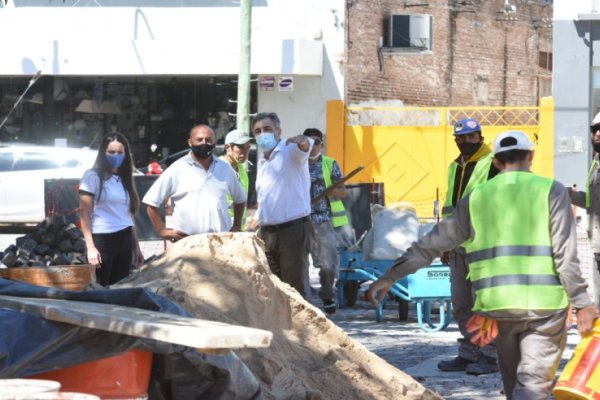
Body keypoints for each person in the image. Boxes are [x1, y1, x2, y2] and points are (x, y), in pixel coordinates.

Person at [367, 130, 599, 399]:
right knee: (531, 385)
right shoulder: (552, 191)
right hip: (544, 309)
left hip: (496, 307)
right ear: (531, 157)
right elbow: (565, 254)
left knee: (515, 385)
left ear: (496, 162)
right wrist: (582, 303)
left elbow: (431, 244)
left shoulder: (476, 198)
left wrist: (390, 277)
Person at [438, 117, 500, 375]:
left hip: (484, 245)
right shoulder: (456, 166)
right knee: (461, 303)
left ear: (480, 137)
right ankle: (468, 352)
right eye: (461, 138)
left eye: (471, 137)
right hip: (458, 244)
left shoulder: (494, 163)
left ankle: (489, 354)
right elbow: (450, 207)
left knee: (483, 302)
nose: (466, 141)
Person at [142, 124, 246, 241]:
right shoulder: (178, 168)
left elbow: (240, 199)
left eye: (208, 140)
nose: (204, 143)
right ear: (190, 142)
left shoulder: (225, 168)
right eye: (199, 140)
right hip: (188, 243)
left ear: (215, 142)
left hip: (220, 241)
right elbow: (151, 202)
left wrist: (237, 225)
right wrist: (162, 231)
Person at [252, 112, 313, 298]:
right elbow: (266, 197)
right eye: (257, 131)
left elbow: (306, 146)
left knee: (294, 290)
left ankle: (301, 327)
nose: (263, 134)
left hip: (292, 231)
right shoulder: (263, 160)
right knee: (273, 289)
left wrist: (303, 140)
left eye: (267, 129)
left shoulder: (290, 150)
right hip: (267, 233)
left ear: (279, 131)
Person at [79, 132, 144, 286]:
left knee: (119, 288)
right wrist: (91, 247)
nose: (116, 156)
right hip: (102, 239)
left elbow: (128, 215)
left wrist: (136, 247)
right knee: (99, 287)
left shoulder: (125, 178)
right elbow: (84, 214)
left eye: (120, 152)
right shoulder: (92, 176)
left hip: (125, 238)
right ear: (103, 153)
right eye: (112, 152)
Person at [303, 128, 349, 314]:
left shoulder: (330, 164)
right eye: (310, 142)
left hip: (323, 221)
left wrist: (332, 191)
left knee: (328, 265)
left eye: (317, 142)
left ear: (322, 144)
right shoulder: (295, 162)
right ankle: (302, 299)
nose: (313, 146)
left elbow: (343, 191)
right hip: (299, 220)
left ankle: (328, 294)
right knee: (298, 266)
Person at [570, 111, 600, 307]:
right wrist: (569, 195)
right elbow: (592, 201)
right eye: (595, 130)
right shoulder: (595, 163)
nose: (597, 134)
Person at [220, 129, 253, 230]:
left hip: (237, 231)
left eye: (248, 148)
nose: (245, 152)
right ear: (228, 148)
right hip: (221, 230)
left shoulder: (242, 170)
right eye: (240, 147)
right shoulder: (218, 168)